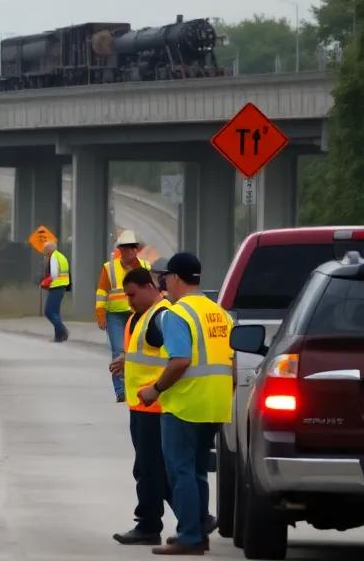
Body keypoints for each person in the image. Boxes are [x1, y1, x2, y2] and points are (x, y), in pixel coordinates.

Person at [136, 253, 233, 556]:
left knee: (180, 472)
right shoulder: (220, 313)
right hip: (216, 403)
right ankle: (199, 532)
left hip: (185, 403)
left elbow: (180, 361)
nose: (164, 281)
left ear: (175, 278)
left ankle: (189, 537)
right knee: (198, 471)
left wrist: (155, 389)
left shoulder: (178, 314)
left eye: (166, 277)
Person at [110, 266, 172, 546]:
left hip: (156, 405)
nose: (129, 301)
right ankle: (196, 517)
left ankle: (148, 525)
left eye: (132, 295)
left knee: (149, 469)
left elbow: (177, 358)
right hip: (141, 405)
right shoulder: (142, 316)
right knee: (155, 469)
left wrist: (156, 388)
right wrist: (127, 362)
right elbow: (147, 354)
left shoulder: (161, 317)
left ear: (150, 287)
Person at [96, 231, 152, 402]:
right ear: (120, 250)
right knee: (118, 351)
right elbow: (102, 292)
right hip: (115, 316)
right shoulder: (109, 268)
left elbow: (152, 289)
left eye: (134, 248)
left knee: (138, 350)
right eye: (127, 248)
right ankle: (120, 390)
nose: (131, 251)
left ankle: (135, 386)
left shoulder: (144, 266)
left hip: (138, 314)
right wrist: (100, 313)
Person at [39, 241, 70, 342]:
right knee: (56, 313)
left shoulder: (54, 257)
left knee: (48, 311)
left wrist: (45, 282)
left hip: (56, 286)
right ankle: (58, 337)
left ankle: (63, 330)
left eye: (45, 248)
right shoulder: (61, 256)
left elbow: (54, 274)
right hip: (62, 286)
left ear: (50, 249)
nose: (44, 251)